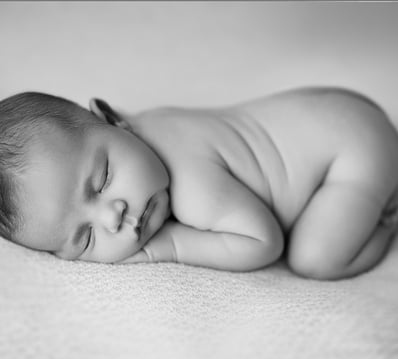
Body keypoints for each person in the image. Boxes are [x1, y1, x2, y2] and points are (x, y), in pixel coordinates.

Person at [1, 86, 397, 280]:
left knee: (314, 259)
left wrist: (169, 246)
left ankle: (387, 215)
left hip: (352, 149)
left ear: (111, 118)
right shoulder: (141, 133)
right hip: (332, 108)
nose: (112, 217)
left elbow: (263, 242)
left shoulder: (192, 185)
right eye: (85, 238)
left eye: (103, 179)